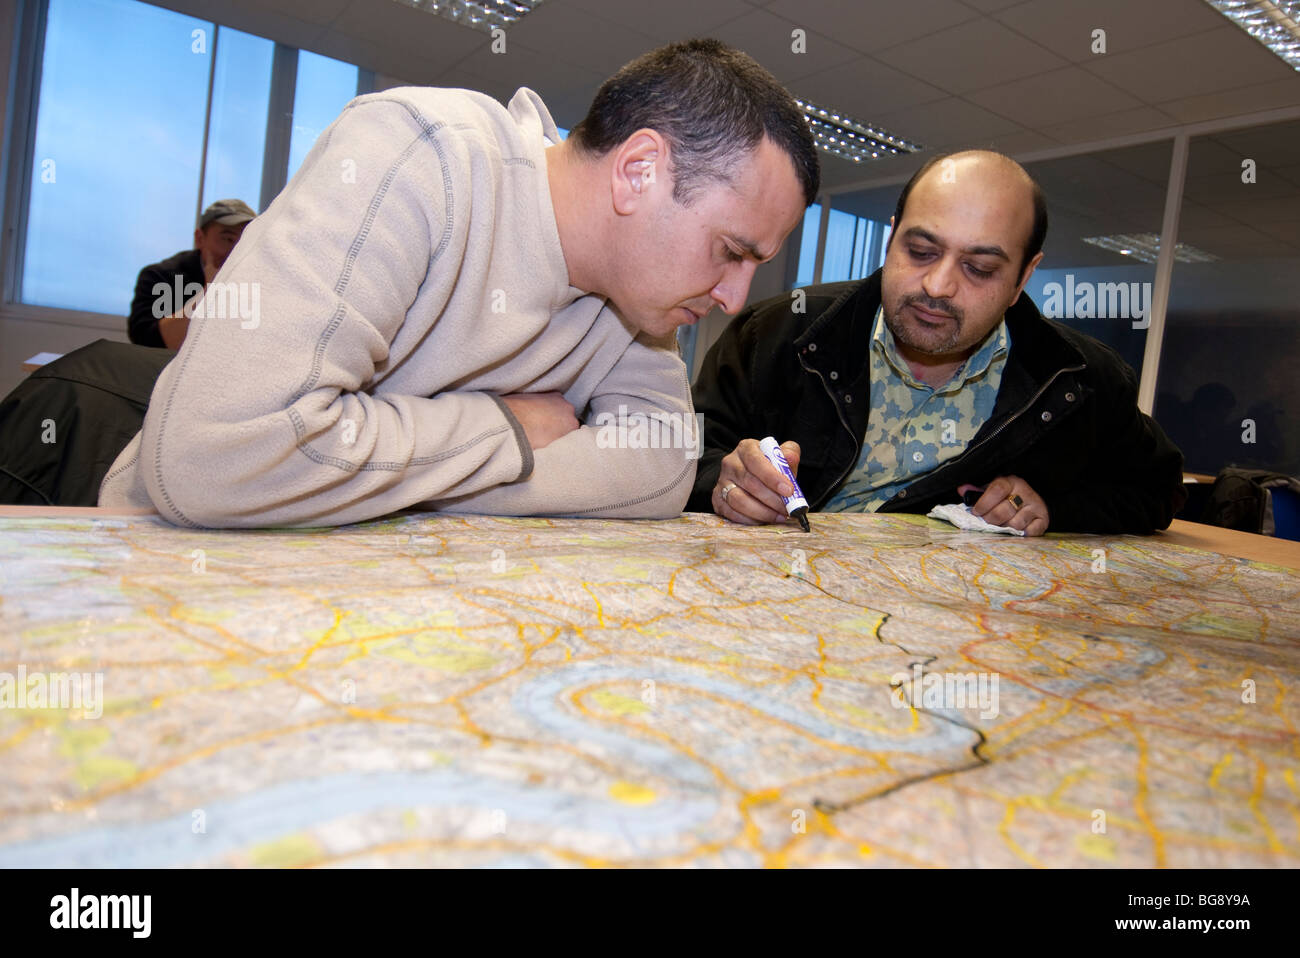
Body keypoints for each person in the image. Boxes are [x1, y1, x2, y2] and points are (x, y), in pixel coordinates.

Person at [98, 39, 818, 528]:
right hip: (176, 568)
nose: (732, 297)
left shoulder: (637, 299)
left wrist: (375, 479)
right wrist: (503, 429)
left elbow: (659, 469)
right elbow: (215, 457)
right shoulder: (417, 156)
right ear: (639, 172)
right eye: (731, 251)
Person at [689, 150, 1186, 535]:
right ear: (891, 238)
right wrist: (725, 480)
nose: (938, 286)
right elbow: (679, 453)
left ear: (1023, 277)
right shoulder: (777, 332)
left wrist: (1054, 505)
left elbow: (1156, 490)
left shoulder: (1079, 380)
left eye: (980, 268)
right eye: (921, 251)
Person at [127, 198, 256, 349]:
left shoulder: (255, 284)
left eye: (244, 242)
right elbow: (146, 342)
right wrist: (209, 293)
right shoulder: (160, 277)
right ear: (200, 238)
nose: (236, 252)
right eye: (228, 239)